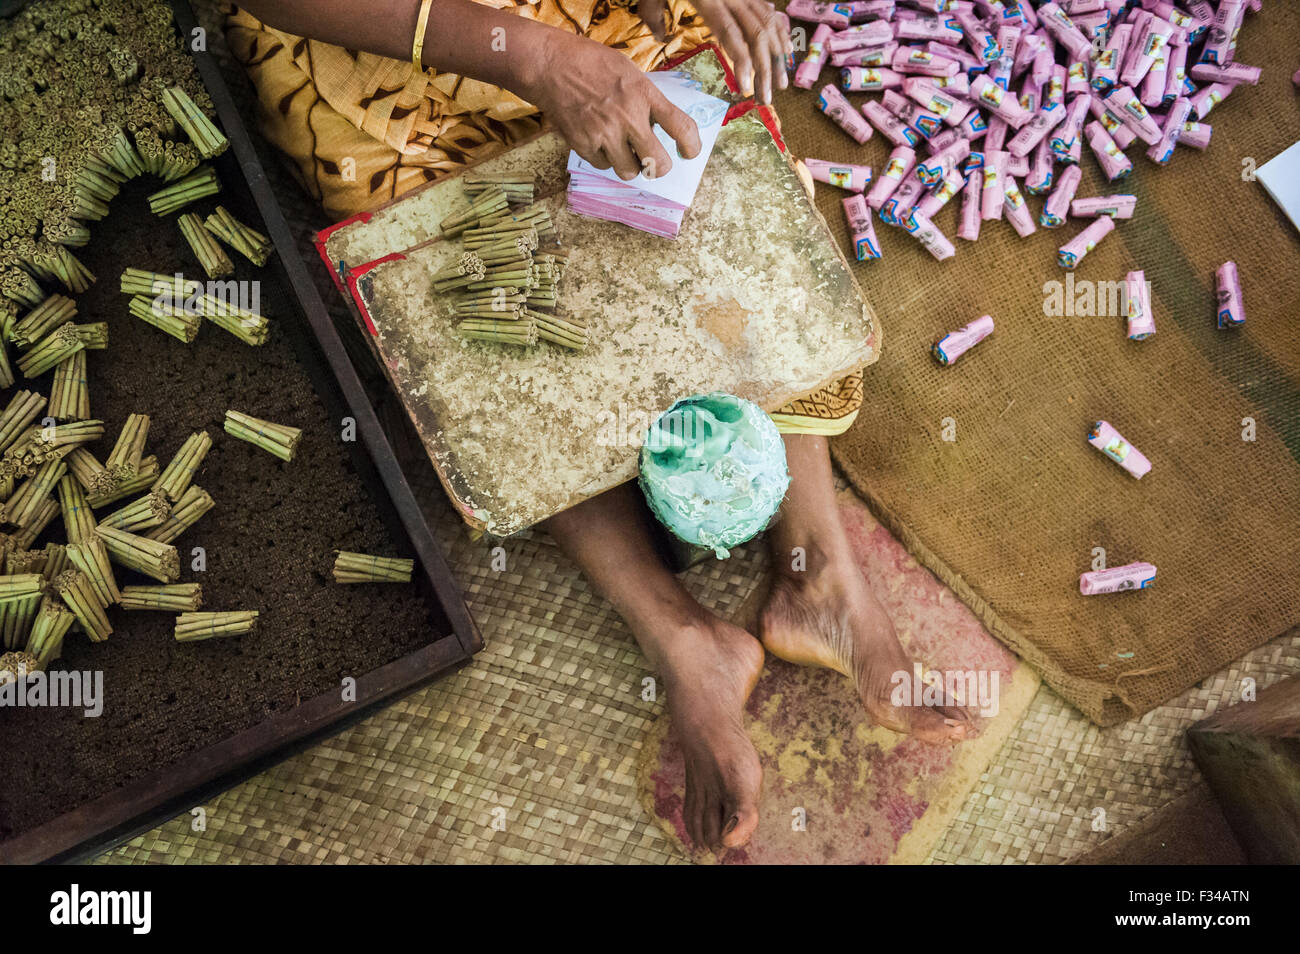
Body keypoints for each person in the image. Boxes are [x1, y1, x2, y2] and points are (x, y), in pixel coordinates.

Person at [235, 0, 971, 853]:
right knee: (470, 313)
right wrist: (538, 60)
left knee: (719, 185)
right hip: (386, 53)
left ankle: (821, 575)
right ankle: (683, 638)